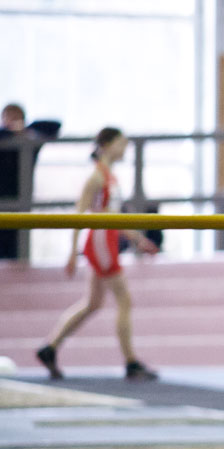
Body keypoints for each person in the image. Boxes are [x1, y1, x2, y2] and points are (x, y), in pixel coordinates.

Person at [35, 127, 159, 381]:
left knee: (93, 303)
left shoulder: (109, 176)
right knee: (124, 300)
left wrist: (137, 238)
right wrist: (72, 252)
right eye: (121, 144)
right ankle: (131, 362)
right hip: (101, 241)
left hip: (107, 239)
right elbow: (79, 214)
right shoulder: (96, 178)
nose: (125, 149)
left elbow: (114, 216)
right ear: (107, 145)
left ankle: (50, 347)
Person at [0, 103, 61, 259]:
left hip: (21, 203)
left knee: (17, 251)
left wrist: (24, 128)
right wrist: (10, 131)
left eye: (15, 119)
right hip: (2, 203)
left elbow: (55, 125)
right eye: (7, 119)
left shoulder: (30, 139)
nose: (11, 123)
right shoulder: (3, 139)